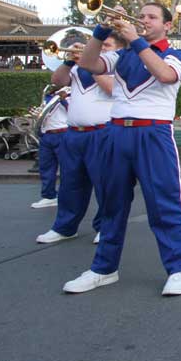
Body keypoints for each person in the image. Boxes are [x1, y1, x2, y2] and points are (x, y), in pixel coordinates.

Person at [63, 3, 181, 297]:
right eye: (142, 15)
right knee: (111, 203)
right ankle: (104, 268)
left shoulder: (176, 54)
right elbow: (87, 64)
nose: (144, 20)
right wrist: (101, 31)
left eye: (152, 17)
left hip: (153, 133)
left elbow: (164, 75)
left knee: (164, 203)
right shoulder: (121, 55)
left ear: (168, 26)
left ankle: (179, 268)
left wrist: (134, 37)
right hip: (116, 131)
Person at [36, 34, 122, 244]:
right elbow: (57, 81)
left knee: (105, 184)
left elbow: (111, 89)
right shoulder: (77, 67)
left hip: (103, 132)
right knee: (70, 183)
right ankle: (65, 227)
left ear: (117, 49)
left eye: (106, 46)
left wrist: (91, 64)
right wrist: (69, 60)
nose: (99, 49)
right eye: (97, 46)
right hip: (73, 133)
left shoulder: (119, 65)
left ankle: (105, 228)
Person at [30, 86, 70, 209]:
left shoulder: (70, 92)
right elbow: (44, 116)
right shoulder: (47, 97)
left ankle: (68, 197)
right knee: (46, 167)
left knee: (67, 168)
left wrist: (63, 100)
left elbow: (76, 111)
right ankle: (49, 196)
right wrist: (36, 114)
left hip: (63, 133)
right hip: (47, 134)